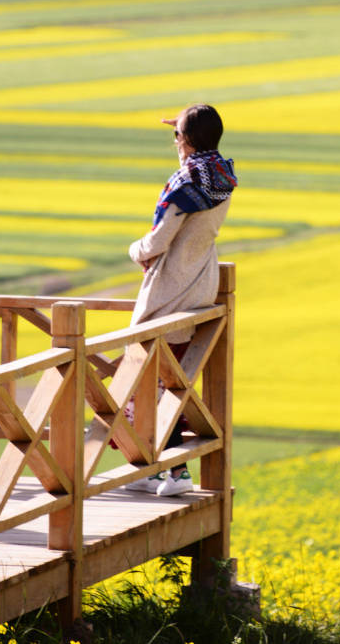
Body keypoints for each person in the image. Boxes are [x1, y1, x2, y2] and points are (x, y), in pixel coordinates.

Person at [125, 104, 237, 496]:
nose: (174, 141)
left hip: (172, 289)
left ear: (185, 141)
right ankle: (152, 469)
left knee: (154, 381)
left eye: (177, 135)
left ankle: (173, 472)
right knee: (168, 381)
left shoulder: (186, 182)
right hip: (201, 281)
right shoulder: (222, 176)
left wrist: (134, 250)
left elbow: (159, 241)